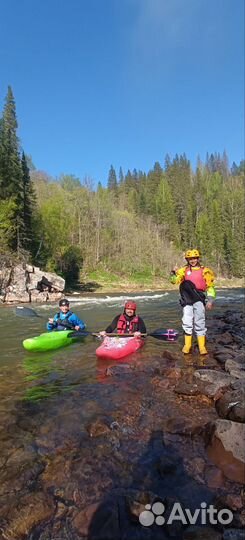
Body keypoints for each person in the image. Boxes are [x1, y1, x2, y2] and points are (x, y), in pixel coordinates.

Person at [170, 249, 216, 354]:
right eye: (190, 259)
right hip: (186, 298)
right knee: (187, 321)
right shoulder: (183, 270)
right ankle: (187, 345)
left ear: (198, 258)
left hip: (199, 298)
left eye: (194, 258)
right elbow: (174, 281)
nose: (192, 260)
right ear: (187, 259)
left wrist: (210, 300)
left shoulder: (205, 271)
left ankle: (202, 346)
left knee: (199, 321)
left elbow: (210, 287)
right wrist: (173, 272)